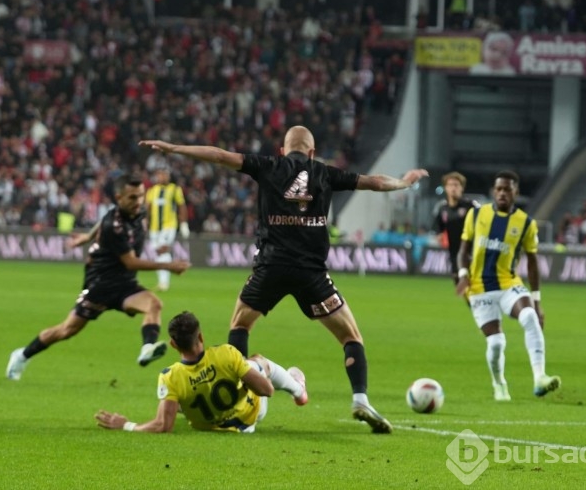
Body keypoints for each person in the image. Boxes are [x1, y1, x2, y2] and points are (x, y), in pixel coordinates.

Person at [139, 125, 429, 433]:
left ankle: (236, 400)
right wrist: (403, 183)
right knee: (350, 337)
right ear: (312, 152)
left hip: (271, 268)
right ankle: (360, 398)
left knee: (240, 325)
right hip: (312, 273)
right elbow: (373, 182)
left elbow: (220, 156)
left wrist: (175, 148)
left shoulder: (268, 166)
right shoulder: (325, 172)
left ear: (282, 150)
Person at [6, 174, 191, 381]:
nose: (138, 202)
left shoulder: (137, 212)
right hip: (100, 285)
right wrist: (168, 265)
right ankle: (21, 355)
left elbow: (101, 223)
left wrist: (86, 236)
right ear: (119, 198)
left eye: (140, 196)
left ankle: (147, 348)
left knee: (154, 304)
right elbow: (130, 262)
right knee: (67, 330)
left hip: (125, 284)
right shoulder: (115, 225)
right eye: (132, 198)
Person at [95, 311, 307, 433]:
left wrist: (126, 425)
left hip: (210, 425)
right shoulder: (226, 353)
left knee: (175, 398)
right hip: (249, 417)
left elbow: (163, 425)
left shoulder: (170, 376)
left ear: (173, 344)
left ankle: (199, 401)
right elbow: (267, 391)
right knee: (258, 362)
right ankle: (298, 390)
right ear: (201, 337)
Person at [456, 170, 560, 402]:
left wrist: (537, 300)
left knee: (530, 317)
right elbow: (463, 251)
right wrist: (463, 274)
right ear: (494, 191)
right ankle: (499, 383)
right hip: (479, 288)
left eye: (508, 189)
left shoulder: (526, 223)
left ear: (516, 192)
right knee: (495, 343)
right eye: (499, 189)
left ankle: (540, 377)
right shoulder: (476, 215)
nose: (502, 193)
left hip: (508, 284)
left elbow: (532, 263)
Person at [432, 171, 480, 285]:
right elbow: (438, 229)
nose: (453, 188)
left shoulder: (471, 206)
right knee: (459, 285)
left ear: (462, 188)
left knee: (473, 286)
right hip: (454, 254)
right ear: (445, 188)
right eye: (450, 185)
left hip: (472, 252)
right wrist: (439, 236)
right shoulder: (442, 208)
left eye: (456, 185)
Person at [145, 168, 190, 291]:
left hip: (168, 225)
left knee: (162, 250)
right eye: (159, 175)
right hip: (154, 227)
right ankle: (162, 281)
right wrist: (144, 221)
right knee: (158, 253)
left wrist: (184, 223)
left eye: (164, 175)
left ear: (168, 176)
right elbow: (147, 208)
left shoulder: (175, 189)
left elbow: (181, 206)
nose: (162, 177)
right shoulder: (152, 191)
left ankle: (164, 283)